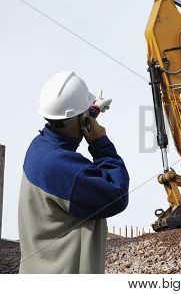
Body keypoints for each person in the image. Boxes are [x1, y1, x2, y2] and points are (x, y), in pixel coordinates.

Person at [18, 71, 129, 273]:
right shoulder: (64, 168)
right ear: (79, 120)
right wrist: (101, 145)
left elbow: (67, 127)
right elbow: (117, 194)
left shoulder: (40, 147)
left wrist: (88, 113)